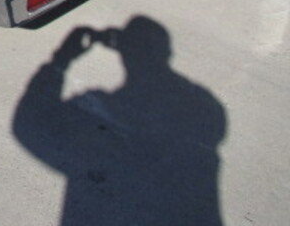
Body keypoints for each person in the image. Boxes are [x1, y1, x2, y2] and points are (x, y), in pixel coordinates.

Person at [13, 16, 227, 225]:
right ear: (167, 53)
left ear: (123, 53)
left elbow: (28, 123)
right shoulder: (203, 111)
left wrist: (61, 59)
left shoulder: (97, 109)